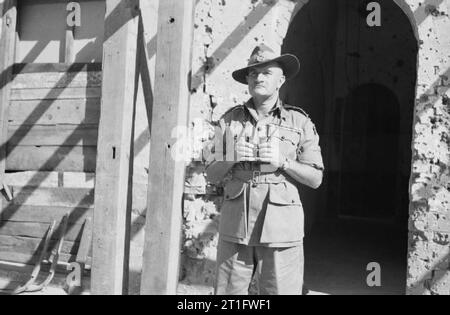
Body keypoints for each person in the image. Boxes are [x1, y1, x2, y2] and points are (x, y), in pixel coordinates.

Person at [206, 44, 324, 295]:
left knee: (279, 291)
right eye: (252, 73)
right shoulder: (229, 120)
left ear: (281, 80)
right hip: (236, 225)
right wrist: (232, 157)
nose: (258, 78)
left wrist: (284, 162)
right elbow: (212, 174)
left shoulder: (299, 122)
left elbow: (315, 178)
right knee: (229, 294)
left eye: (266, 72)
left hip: (281, 226)